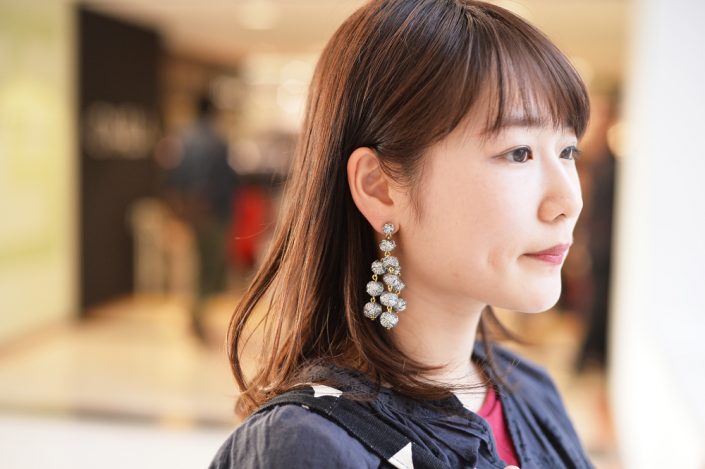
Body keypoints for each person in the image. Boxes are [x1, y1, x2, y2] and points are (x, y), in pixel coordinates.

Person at [210, 0, 594, 467]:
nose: (568, 200)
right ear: (379, 187)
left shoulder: (531, 392)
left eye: (568, 151)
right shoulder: (305, 446)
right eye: (518, 153)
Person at [165, 94, 239, 343]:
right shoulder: (217, 141)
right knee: (209, 266)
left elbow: (174, 177)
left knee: (197, 263)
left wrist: (179, 209)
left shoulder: (183, 139)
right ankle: (198, 313)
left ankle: (196, 312)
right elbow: (226, 181)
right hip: (214, 213)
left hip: (192, 213)